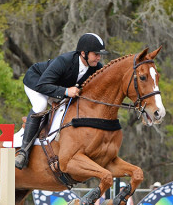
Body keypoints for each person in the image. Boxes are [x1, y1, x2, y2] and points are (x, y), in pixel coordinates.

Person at [14, 33, 110, 170]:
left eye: (99, 54)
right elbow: (42, 85)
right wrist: (65, 92)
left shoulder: (95, 67)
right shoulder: (64, 61)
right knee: (40, 105)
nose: (99, 57)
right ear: (83, 53)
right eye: (96, 54)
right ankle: (23, 152)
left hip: (57, 89)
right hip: (36, 82)